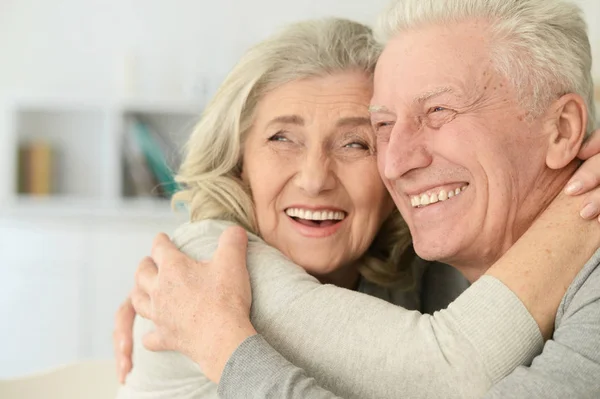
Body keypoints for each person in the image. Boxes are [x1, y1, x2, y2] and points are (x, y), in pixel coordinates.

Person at [116, 8, 600, 399]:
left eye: (357, 143)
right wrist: (578, 216)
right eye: (282, 137)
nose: (313, 179)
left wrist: (227, 347)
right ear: (238, 161)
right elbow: (452, 370)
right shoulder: (209, 268)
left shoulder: (409, 262)